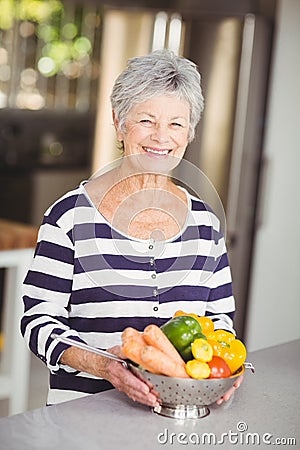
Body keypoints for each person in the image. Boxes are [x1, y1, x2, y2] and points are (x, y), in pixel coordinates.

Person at [21, 49, 242, 409]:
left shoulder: (205, 222)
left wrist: (222, 368)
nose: (161, 137)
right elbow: (39, 322)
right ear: (119, 122)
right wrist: (106, 367)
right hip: (84, 413)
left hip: (177, 413)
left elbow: (219, 322)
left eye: (176, 123)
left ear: (190, 132)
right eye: (146, 121)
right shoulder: (68, 217)